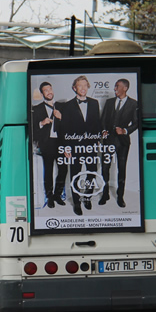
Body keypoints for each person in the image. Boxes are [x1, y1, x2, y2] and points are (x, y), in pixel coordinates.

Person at [57, 75, 101, 216]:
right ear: (74, 88)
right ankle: (76, 203)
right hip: (74, 146)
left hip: (91, 146)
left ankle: (87, 197)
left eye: (85, 85)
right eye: (79, 86)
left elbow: (97, 123)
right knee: (75, 175)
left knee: (92, 172)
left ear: (88, 87)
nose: (83, 88)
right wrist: (66, 147)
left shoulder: (95, 103)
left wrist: (98, 140)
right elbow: (64, 129)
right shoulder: (68, 106)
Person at [99, 78, 138, 208]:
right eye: (115, 86)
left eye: (117, 86)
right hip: (108, 140)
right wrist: (104, 130)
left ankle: (120, 196)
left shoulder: (134, 104)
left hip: (123, 142)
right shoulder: (109, 102)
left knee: (122, 169)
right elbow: (103, 119)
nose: (115, 88)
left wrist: (125, 130)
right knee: (105, 168)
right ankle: (105, 194)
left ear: (125, 88)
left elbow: (137, 123)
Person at [31, 81, 66, 209]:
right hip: (47, 143)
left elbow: (71, 125)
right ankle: (50, 197)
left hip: (61, 142)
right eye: (46, 90)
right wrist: (42, 123)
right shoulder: (37, 109)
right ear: (42, 94)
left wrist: (61, 117)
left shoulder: (63, 106)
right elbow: (33, 130)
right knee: (49, 171)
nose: (49, 92)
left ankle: (58, 195)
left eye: (50, 89)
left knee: (63, 169)